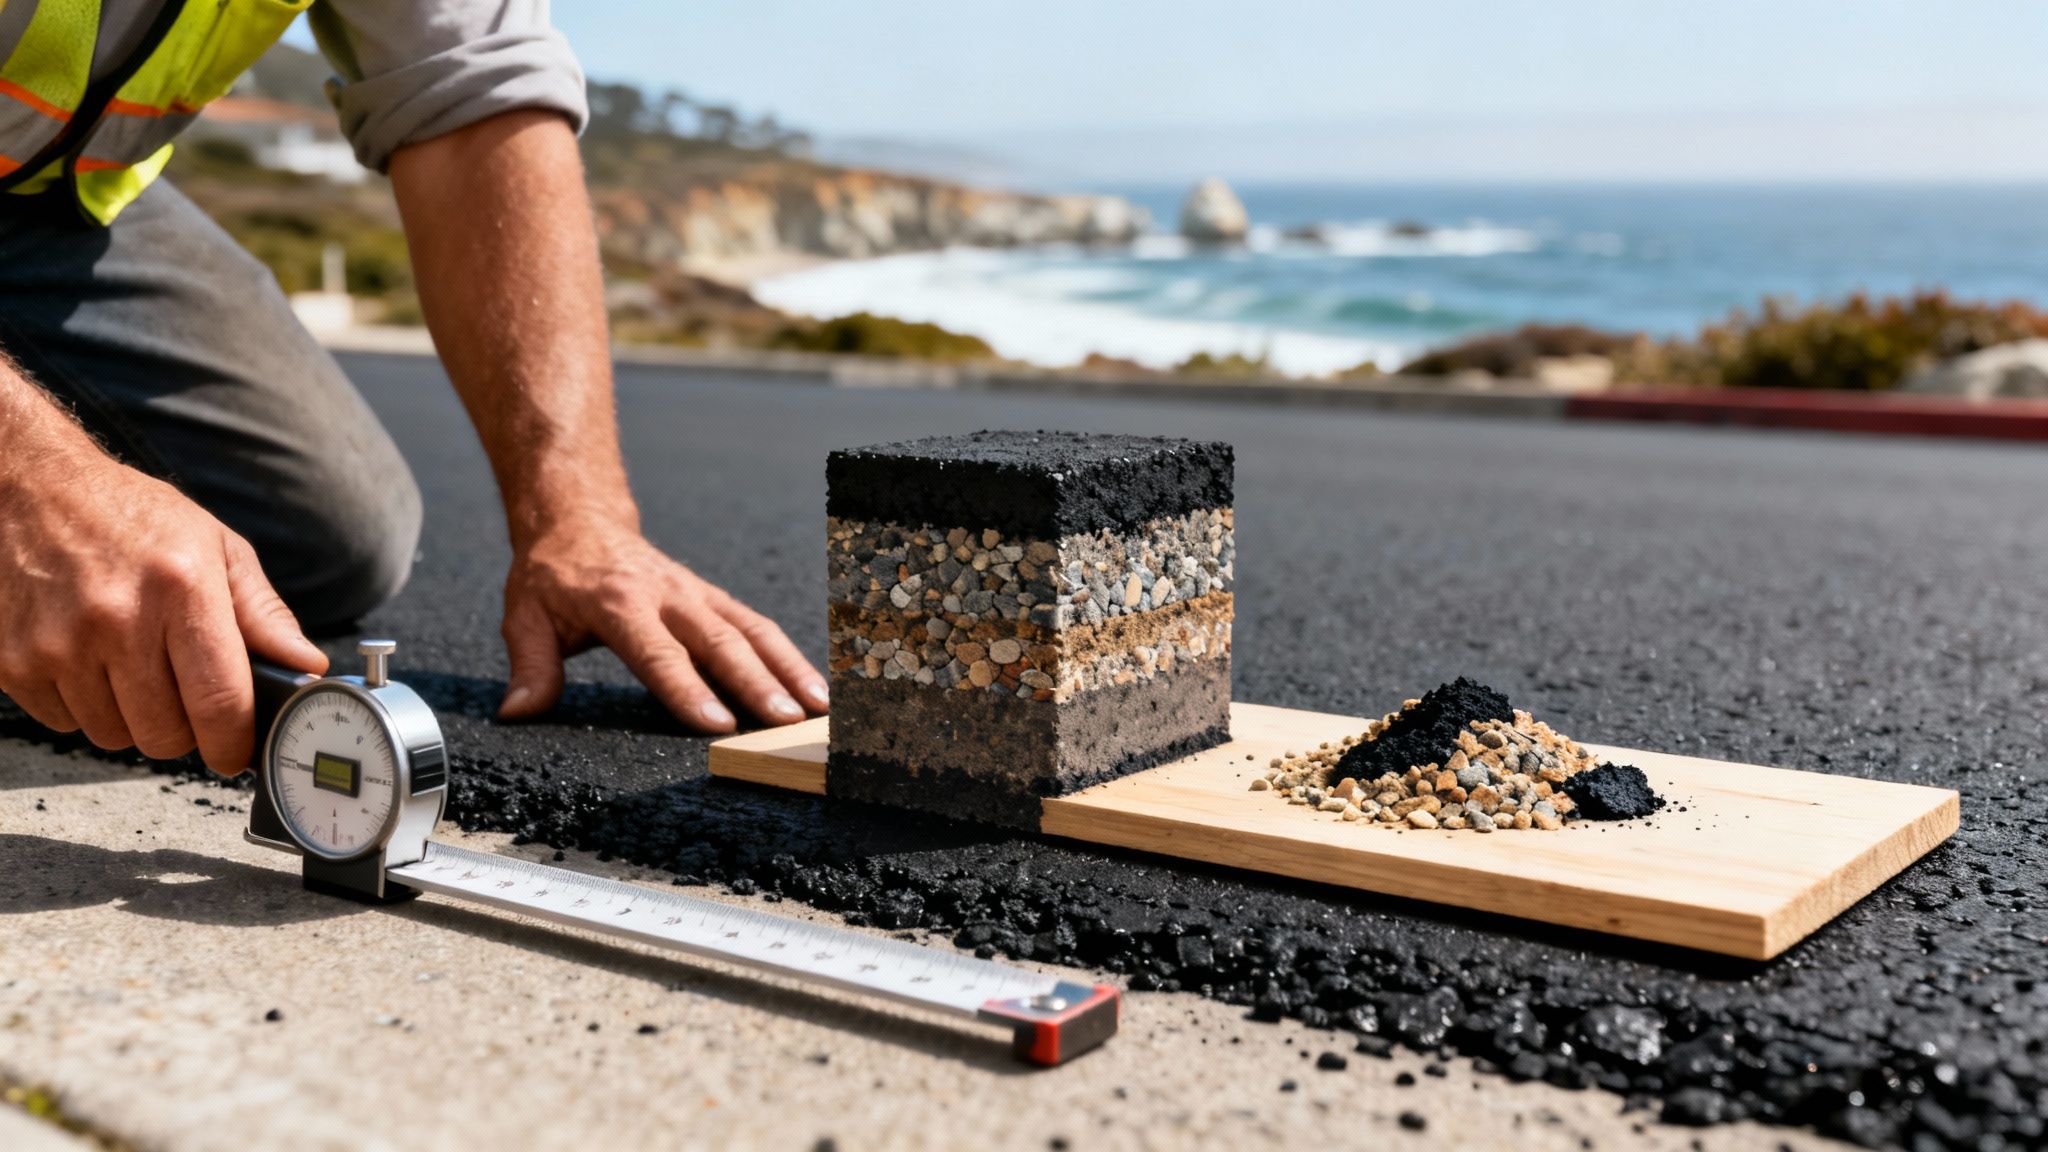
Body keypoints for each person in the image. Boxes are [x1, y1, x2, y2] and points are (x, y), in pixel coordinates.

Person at [0, 1, 827, 778]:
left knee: (324, 534)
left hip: (45, 199)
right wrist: (28, 485)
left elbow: (471, 91)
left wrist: (579, 518)